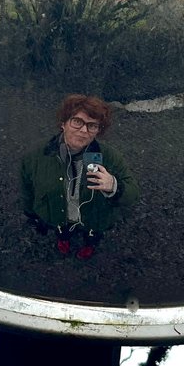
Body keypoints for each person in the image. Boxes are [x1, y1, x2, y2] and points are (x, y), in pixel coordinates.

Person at [21, 94, 139, 258]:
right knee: (62, 231)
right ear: (63, 123)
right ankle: (63, 239)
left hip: (94, 219)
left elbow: (133, 194)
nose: (84, 130)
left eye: (92, 126)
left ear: (98, 131)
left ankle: (89, 246)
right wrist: (32, 216)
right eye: (77, 122)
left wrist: (114, 185)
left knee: (92, 235)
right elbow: (26, 190)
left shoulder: (111, 158)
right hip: (57, 215)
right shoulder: (35, 157)